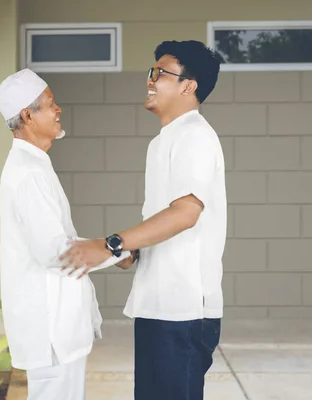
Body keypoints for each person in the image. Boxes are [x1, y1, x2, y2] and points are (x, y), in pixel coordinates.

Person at [60, 40, 226, 400]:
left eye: (160, 73)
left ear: (188, 85)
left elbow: (185, 214)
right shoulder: (163, 142)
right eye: (150, 73)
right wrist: (131, 253)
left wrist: (112, 243)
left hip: (183, 311)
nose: (150, 80)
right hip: (157, 304)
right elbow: (163, 221)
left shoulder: (195, 136)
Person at [0, 69, 134, 400]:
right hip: (49, 324)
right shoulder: (28, 174)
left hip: (55, 323)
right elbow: (55, 252)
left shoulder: (35, 165)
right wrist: (118, 249)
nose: (59, 110)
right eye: (51, 104)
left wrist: (117, 253)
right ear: (28, 115)